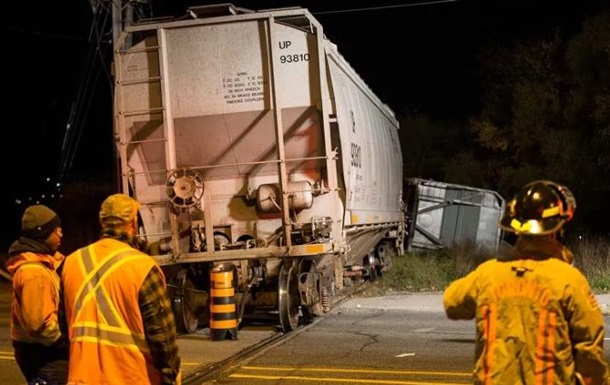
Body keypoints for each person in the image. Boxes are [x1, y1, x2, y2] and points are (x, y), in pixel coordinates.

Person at [443, 180, 609, 385]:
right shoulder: (569, 281)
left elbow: (452, 303)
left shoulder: (489, 274)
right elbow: (590, 351)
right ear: (557, 230)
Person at [60, 193, 181, 385]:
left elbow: (64, 327)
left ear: (102, 222)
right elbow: (162, 337)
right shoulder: (142, 267)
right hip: (131, 377)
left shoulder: (71, 263)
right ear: (133, 223)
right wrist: (171, 375)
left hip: (82, 378)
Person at [5, 204, 69, 385]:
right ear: (43, 233)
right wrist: (67, 341)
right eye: (57, 230)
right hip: (44, 354)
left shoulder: (44, 264)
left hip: (41, 351)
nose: (61, 234)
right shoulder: (34, 272)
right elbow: (39, 325)